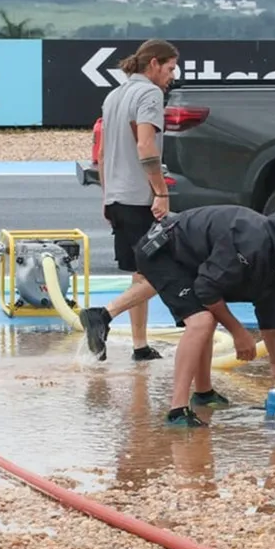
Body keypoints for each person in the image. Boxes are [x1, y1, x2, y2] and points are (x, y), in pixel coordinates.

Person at [78, 205, 275, 428]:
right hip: (162, 251)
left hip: (190, 258)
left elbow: (269, 313)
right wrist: (238, 332)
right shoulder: (252, 245)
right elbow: (207, 289)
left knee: (207, 315)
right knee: (201, 321)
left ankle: (203, 393)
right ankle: (177, 411)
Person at [94, 38, 179, 362]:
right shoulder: (149, 94)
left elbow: (102, 154)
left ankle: (140, 345)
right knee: (166, 271)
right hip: (140, 198)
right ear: (154, 63)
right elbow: (146, 145)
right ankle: (102, 315)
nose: (172, 75)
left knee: (141, 274)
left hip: (117, 198)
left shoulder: (114, 96)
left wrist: (107, 197)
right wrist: (161, 191)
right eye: (170, 68)